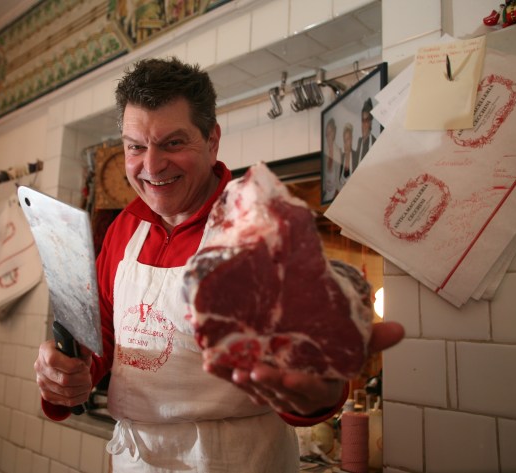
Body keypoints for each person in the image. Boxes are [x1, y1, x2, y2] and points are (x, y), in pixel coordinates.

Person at [34, 57, 404, 472]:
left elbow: (309, 377)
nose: (151, 166)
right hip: (135, 461)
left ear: (212, 141)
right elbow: (101, 336)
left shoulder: (258, 229)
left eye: (173, 143)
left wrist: (317, 394)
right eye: (135, 146)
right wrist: (66, 373)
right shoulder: (125, 226)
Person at [322, 117, 340, 202]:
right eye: (326, 134)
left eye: (330, 133)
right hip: (324, 197)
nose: (328, 136)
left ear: (334, 132)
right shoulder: (324, 151)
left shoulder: (338, 153)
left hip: (334, 198)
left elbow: (338, 181)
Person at [339, 122, 358, 189]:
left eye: (348, 139)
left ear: (352, 139)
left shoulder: (357, 157)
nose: (346, 143)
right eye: (344, 140)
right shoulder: (340, 158)